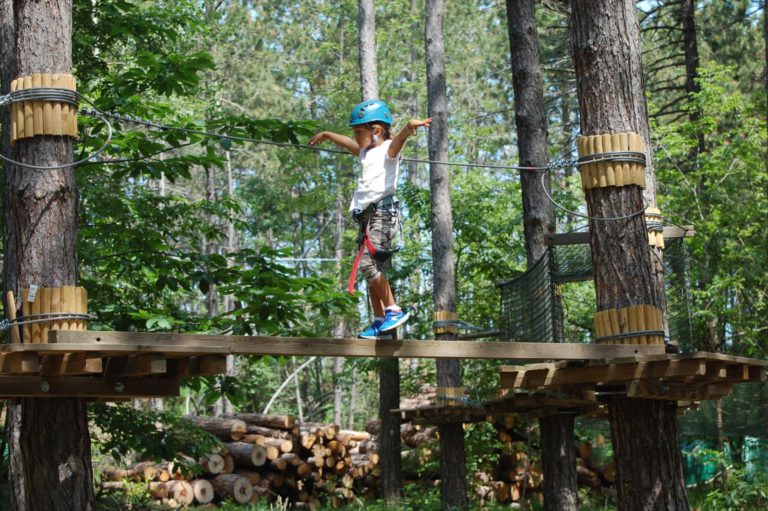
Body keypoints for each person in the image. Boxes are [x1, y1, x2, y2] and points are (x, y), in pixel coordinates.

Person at [309, 99, 431, 339]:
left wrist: (408, 127)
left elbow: (398, 140)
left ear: (376, 130)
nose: (354, 137)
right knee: (370, 271)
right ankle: (379, 321)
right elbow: (347, 145)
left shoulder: (388, 151)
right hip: (366, 219)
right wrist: (327, 134)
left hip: (383, 214)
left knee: (367, 265)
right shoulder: (366, 152)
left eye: (358, 132)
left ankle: (393, 310)